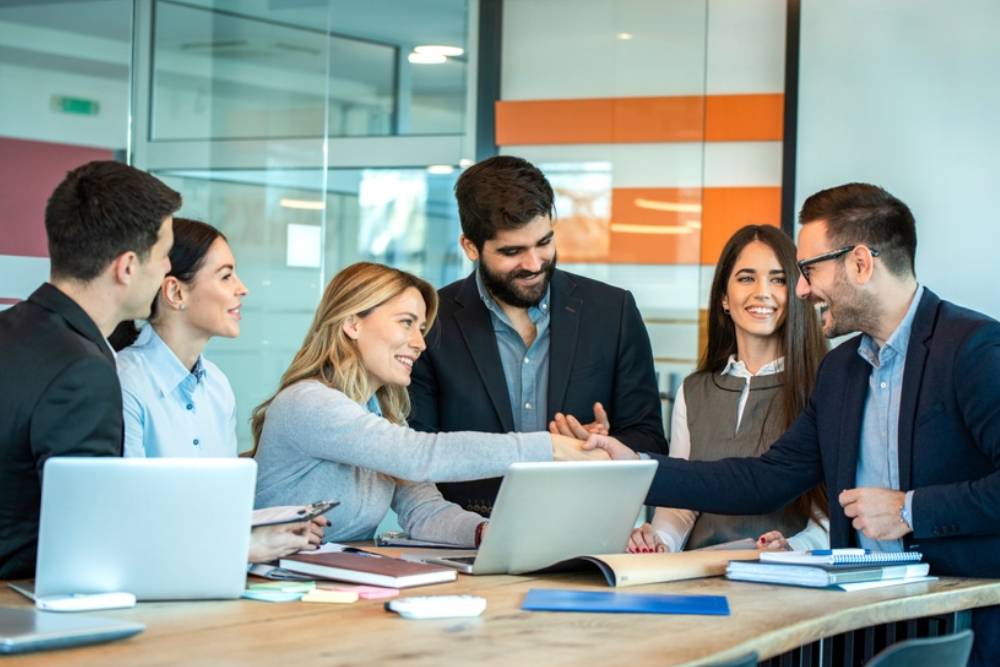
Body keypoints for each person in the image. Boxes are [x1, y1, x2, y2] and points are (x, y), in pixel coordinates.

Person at [584, 183, 1000, 665]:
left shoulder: (973, 350)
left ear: (860, 264)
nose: (801, 290)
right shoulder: (842, 370)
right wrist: (637, 465)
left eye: (807, 270)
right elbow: (765, 479)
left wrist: (910, 510)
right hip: (859, 625)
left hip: (964, 628)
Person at [252, 262, 606, 546]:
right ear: (351, 323)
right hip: (274, 594)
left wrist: (485, 532)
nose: (420, 343)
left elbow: (424, 510)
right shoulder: (309, 403)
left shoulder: (382, 417)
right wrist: (550, 448)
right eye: (406, 323)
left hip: (331, 592)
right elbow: (419, 456)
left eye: (421, 328)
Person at [408, 155, 666, 516]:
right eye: (512, 251)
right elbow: (417, 450)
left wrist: (599, 445)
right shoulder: (432, 319)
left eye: (544, 242)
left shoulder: (613, 311)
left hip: (587, 530)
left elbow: (650, 438)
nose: (533, 264)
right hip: (467, 538)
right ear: (470, 247)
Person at [0, 160, 180, 579]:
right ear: (128, 266)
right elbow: (86, 539)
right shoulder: (83, 371)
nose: (169, 269)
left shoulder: (12, 331)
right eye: (165, 255)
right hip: (25, 613)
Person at [111, 218, 325, 563]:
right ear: (175, 292)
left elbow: (222, 509)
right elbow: (127, 521)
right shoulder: (125, 381)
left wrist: (273, 526)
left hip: (214, 574)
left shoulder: (217, 385)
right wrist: (245, 547)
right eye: (226, 276)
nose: (242, 288)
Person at [627, 225, 829, 553]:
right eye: (746, 278)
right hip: (698, 578)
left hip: (786, 581)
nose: (762, 292)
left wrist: (795, 547)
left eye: (778, 279)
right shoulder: (694, 390)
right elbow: (682, 502)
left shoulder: (823, 384)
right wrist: (659, 542)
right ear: (724, 296)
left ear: (796, 291)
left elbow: (829, 510)